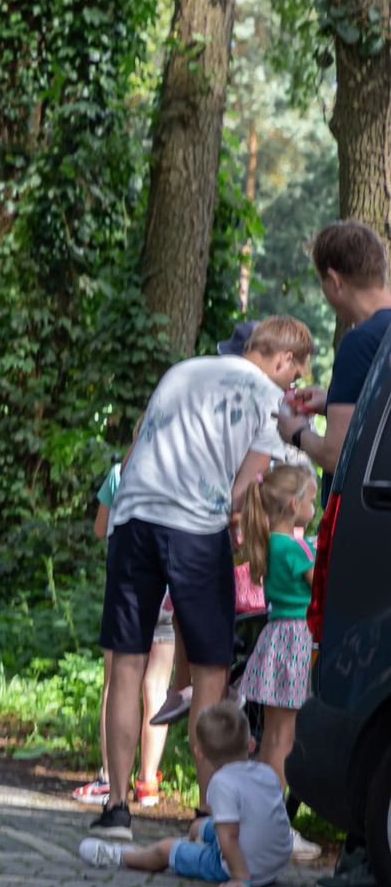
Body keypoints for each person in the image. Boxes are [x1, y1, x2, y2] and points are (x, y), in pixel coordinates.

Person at [92, 315, 310, 843]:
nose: (294, 386)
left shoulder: (182, 371)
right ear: (280, 360)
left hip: (134, 518)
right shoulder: (269, 400)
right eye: (296, 375)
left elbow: (139, 444)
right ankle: (208, 812)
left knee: (127, 663)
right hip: (193, 531)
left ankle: (118, 808)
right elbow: (242, 489)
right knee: (210, 674)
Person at [274, 222, 391, 887]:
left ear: (333, 282)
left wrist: (295, 428)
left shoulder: (360, 344)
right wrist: (328, 401)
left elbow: (337, 455)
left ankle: (358, 854)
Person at [79, 701, 293, 887]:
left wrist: (240, 877)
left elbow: (229, 835)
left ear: (199, 753)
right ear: (251, 744)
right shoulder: (266, 772)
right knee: (199, 826)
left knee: (166, 849)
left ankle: (120, 856)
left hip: (242, 868)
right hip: (274, 864)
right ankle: (195, 842)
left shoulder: (221, 784)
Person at [233, 463, 323, 863]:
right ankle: (276, 828)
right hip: (296, 641)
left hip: (275, 639)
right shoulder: (295, 550)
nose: (314, 506)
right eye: (311, 499)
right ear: (293, 503)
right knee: (283, 743)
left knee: (271, 738)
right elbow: (321, 585)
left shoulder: (270, 544)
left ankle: (260, 821)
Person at [75, 462, 175, 807]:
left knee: (116, 683)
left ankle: (109, 777)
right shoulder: (179, 470)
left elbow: (100, 529)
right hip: (167, 593)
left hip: (129, 586)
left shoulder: (120, 472)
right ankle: (147, 781)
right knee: (157, 688)